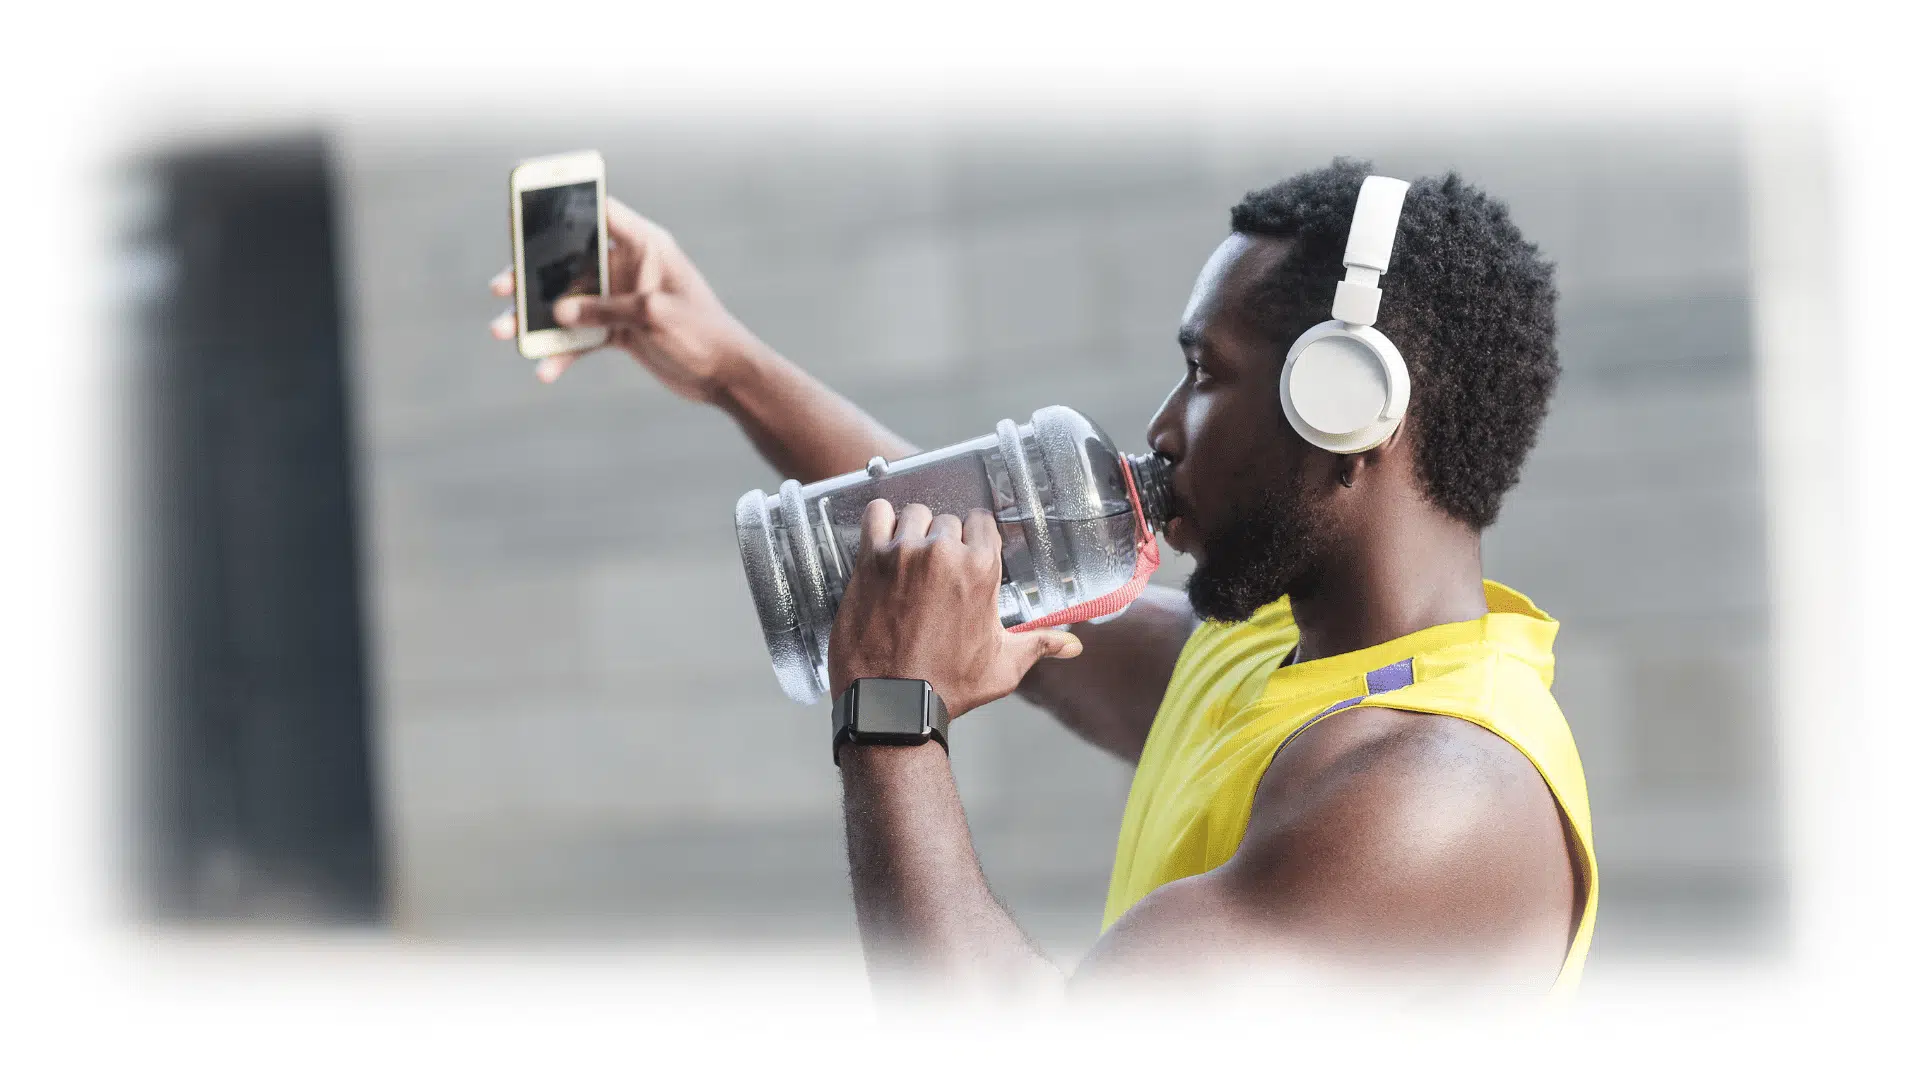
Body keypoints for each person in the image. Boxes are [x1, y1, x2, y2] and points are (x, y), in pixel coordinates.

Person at [486, 158, 1595, 1001]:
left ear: (1345, 408)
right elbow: (988, 586)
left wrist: (889, 720)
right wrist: (728, 365)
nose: (1163, 427)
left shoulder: (1434, 797)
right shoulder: (1296, 660)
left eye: (1205, 374)